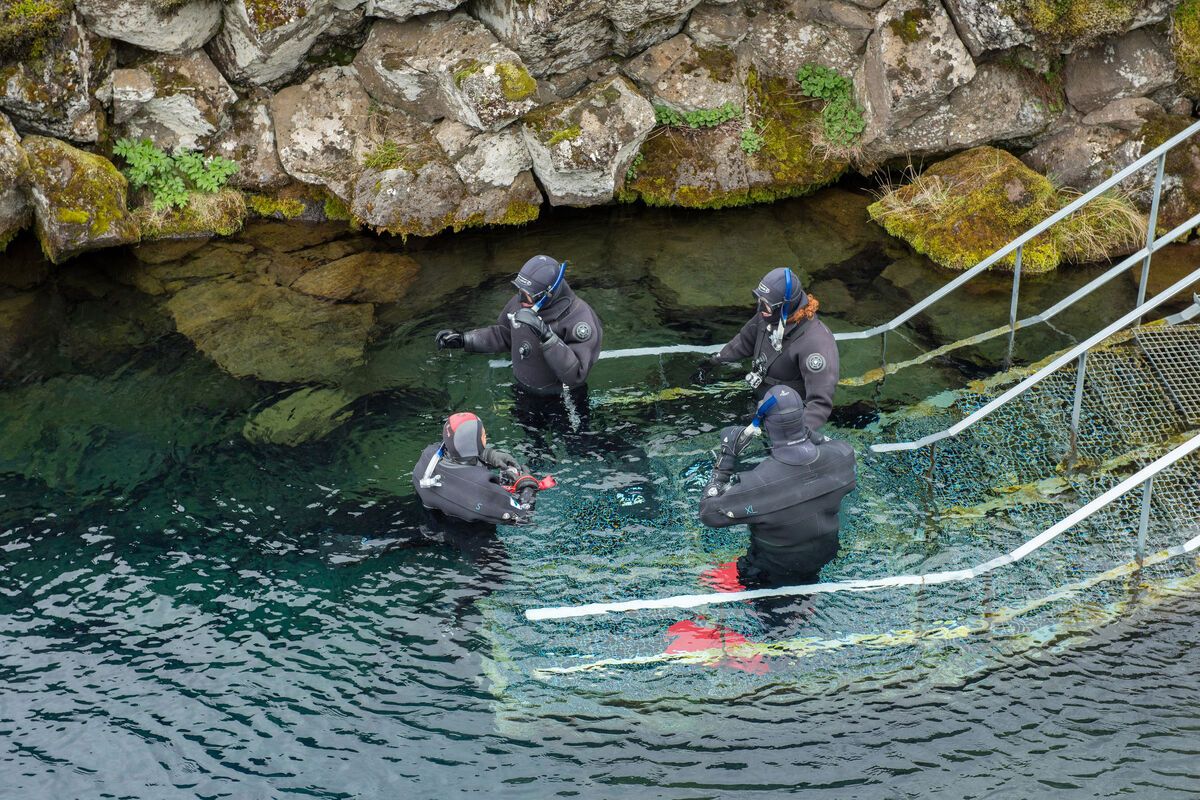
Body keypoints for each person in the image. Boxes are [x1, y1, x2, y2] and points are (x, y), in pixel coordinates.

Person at [698, 384, 856, 588]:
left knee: (703, 582)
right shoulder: (842, 456)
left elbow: (709, 513)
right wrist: (799, 431)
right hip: (825, 557)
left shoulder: (757, 484)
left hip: (769, 573)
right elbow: (830, 443)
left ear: (766, 425)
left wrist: (726, 457)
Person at [696, 267, 839, 435]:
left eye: (766, 305)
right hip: (759, 400)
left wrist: (794, 439)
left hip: (787, 418)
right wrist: (711, 363)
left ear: (785, 307)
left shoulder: (816, 343)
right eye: (758, 300)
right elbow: (743, 341)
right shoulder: (768, 316)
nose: (760, 308)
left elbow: (819, 404)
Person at [434, 255, 604, 396]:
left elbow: (576, 376)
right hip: (523, 391)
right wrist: (465, 339)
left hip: (562, 398)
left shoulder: (578, 318)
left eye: (528, 296)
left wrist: (547, 336)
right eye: (520, 292)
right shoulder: (521, 303)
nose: (521, 300)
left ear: (548, 295)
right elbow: (503, 335)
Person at [412, 412, 553, 526]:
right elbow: (523, 517)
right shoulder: (482, 487)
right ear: (473, 442)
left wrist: (488, 454)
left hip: (428, 521)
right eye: (482, 435)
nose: (485, 437)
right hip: (471, 539)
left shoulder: (428, 456)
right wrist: (528, 487)